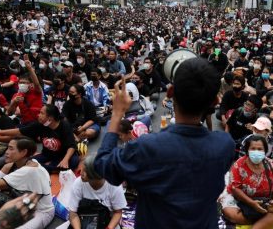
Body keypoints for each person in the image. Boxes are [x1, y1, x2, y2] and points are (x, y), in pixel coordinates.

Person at [93, 57, 235, 228]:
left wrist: (116, 114)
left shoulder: (146, 147)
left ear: (171, 93)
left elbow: (103, 164)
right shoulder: (225, 144)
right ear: (215, 102)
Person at [0, 137, 54, 228]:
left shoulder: (30, 170)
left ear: (23, 152)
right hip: (21, 204)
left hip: (40, 211)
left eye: (11, 148)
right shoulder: (11, 165)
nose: (6, 151)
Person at [0, 104, 79, 173]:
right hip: (47, 154)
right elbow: (19, 131)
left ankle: (46, 168)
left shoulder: (64, 125)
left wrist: (65, 160)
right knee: (27, 162)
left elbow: (71, 146)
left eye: (41, 113)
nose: (38, 115)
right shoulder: (39, 125)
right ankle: (50, 168)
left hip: (63, 155)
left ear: (50, 118)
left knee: (73, 161)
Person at [221, 135, 273, 227]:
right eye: (253, 148)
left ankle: (260, 223)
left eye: (260, 149)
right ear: (247, 150)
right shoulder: (238, 165)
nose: (256, 152)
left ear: (265, 151)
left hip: (265, 200)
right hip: (241, 199)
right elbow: (235, 189)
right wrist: (251, 203)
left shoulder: (271, 164)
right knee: (230, 213)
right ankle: (267, 220)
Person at [68, 155, 127, 229]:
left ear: (95, 175)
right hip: (83, 220)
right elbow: (73, 213)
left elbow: (118, 213)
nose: (81, 173)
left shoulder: (114, 186)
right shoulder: (78, 183)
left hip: (106, 222)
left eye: (85, 171)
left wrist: (109, 228)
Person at [7, 56, 43, 126]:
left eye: (24, 82)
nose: (21, 84)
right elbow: (9, 113)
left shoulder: (36, 91)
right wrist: (13, 102)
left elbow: (37, 83)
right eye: (20, 83)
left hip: (38, 123)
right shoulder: (16, 96)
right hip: (25, 123)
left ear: (31, 85)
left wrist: (29, 68)